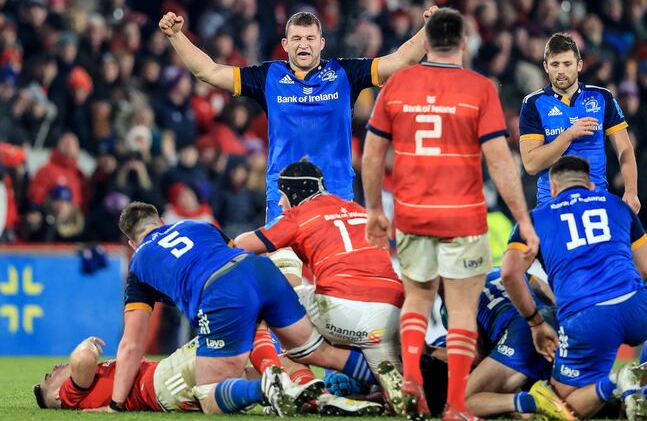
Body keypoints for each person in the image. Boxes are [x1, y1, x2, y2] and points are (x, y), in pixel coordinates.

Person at [361, 8, 537, 421]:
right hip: (463, 218)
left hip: (413, 216)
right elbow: (499, 160)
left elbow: (372, 154)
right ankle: (456, 405)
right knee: (460, 311)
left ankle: (409, 380)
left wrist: (373, 209)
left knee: (418, 299)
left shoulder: (398, 84)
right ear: (463, 44)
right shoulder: (480, 88)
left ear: (424, 43)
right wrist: (523, 219)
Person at [159, 7, 437, 222]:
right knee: (287, 281)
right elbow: (208, 71)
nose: (303, 44)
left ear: (321, 43)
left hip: (336, 193)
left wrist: (428, 30)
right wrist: (176, 36)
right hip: (283, 196)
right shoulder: (268, 76)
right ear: (285, 44)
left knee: (333, 280)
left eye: (309, 38)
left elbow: (402, 60)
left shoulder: (346, 73)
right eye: (297, 39)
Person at [111, 202, 390, 415]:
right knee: (316, 350)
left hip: (221, 290)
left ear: (132, 244)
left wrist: (117, 405)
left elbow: (132, 345)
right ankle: (395, 380)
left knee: (207, 392)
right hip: (260, 271)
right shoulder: (197, 225)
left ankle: (266, 387)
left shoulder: (139, 264)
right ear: (160, 221)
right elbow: (236, 253)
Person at [501, 155, 647, 420]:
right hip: (637, 305)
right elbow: (646, 269)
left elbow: (509, 274)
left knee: (561, 405)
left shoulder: (535, 219)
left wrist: (535, 323)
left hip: (586, 318)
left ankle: (615, 383)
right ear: (589, 185)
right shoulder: (617, 205)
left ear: (553, 188)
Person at [234, 159, 406, 411]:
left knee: (269, 305)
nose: (280, 203)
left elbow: (243, 245)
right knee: (398, 399)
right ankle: (385, 385)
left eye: (281, 196)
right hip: (393, 311)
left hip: (341, 306)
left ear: (293, 193)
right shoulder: (358, 209)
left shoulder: (298, 214)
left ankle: (303, 386)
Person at [34, 335, 380, 415]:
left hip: (172, 393)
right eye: (48, 379)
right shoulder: (71, 398)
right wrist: (88, 347)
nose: (53, 371)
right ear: (54, 396)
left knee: (268, 372)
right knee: (245, 332)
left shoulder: (90, 395)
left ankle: (338, 400)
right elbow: (81, 360)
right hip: (162, 381)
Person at [517, 33, 639, 210]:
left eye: (567, 64)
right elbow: (531, 164)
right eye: (555, 64)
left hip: (596, 201)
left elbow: (625, 149)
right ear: (545, 66)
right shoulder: (533, 104)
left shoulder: (602, 97)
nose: (561, 71)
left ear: (579, 65)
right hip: (552, 205)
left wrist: (631, 190)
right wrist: (569, 135)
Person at [462, 267, 574, 420]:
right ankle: (612, 388)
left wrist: (430, 350)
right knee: (576, 397)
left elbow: (476, 355)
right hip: (555, 322)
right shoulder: (501, 269)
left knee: (464, 401)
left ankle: (533, 401)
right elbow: (549, 294)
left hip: (521, 333)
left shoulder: (455, 295)